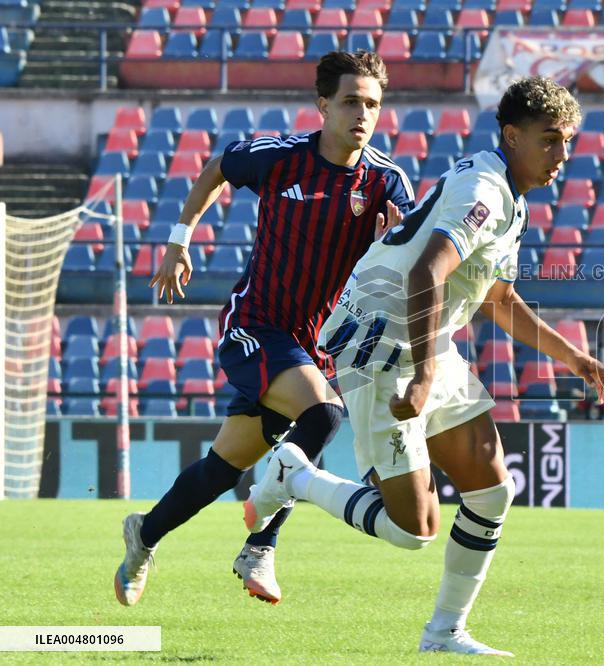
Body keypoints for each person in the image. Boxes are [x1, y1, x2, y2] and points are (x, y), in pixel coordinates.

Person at [243, 76, 604, 655]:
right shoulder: (486, 190)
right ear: (512, 136)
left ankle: (445, 632)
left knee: (493, 491)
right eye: (550, 140)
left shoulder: (509, 196)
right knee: (413, 530)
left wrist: (572, 356)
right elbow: (427, 272)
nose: (562, 155)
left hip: (424, 336)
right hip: (380, 341)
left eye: (567, 141)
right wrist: (422, 375)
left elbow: (496, 298)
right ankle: (292, 474)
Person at [114, 50, 414, 607]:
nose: (363, 114)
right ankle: (261, 545)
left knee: (220, 469)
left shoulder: (388, 183)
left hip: (315, 346)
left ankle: (143, 535)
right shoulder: (279, 158)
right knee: (324, 413)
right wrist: (180, 240)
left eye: (373, 104)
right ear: (323, 105)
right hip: (254, 325)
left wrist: (389, 249)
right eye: (351, 101)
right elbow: (215, 172)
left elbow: (406, 263)